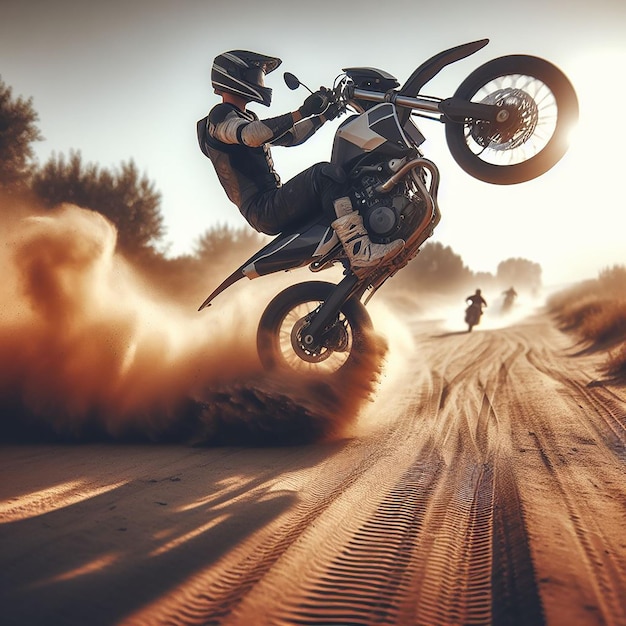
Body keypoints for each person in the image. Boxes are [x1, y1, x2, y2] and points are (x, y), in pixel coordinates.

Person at [196, 49, 404, 276]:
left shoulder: (247, 118)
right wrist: (302, 111)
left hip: (269, 204)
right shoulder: (218, 117)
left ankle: (371, 238)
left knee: (347, 179)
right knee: (325, 175)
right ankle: (360, 251)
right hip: (264, 208)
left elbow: (292, 137)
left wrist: (324, 115)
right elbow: (250, 136)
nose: (260, 82)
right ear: (234, 76)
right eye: (256, 75)